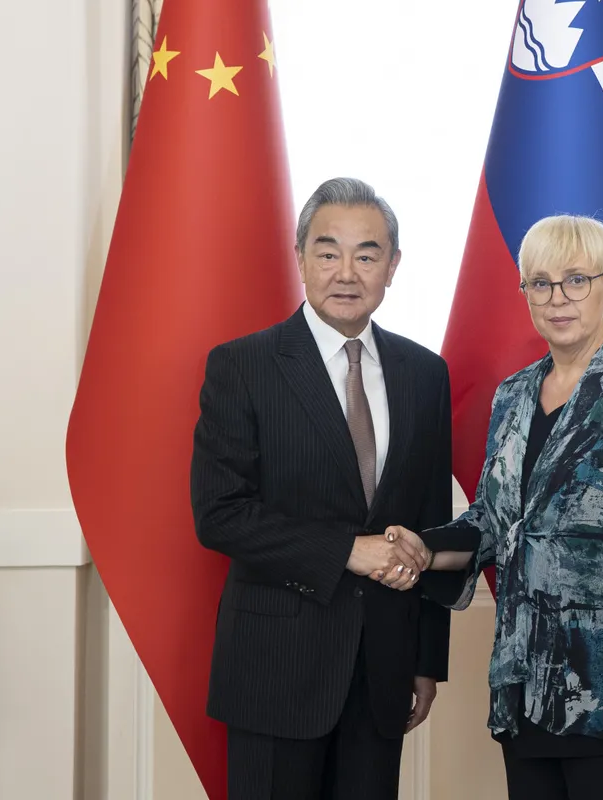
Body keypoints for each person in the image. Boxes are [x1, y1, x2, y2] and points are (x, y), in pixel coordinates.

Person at [379, 215, 603, 800]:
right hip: (527, 684)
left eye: (576, 280)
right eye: (540, 282)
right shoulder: (513, 395)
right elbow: (493, 521)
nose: (557, 298)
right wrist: (424, 549)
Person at [189, 177, 456, 800]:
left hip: (383, 669)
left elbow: (430, 522)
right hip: (276, 667)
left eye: (366, 254)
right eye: (328, 251)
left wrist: (425, 660)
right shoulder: (243, 366)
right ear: (301, 257)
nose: (346, 273)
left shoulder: (425, 373)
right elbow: (220, 514)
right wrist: (346, 550)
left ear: (392, 266)